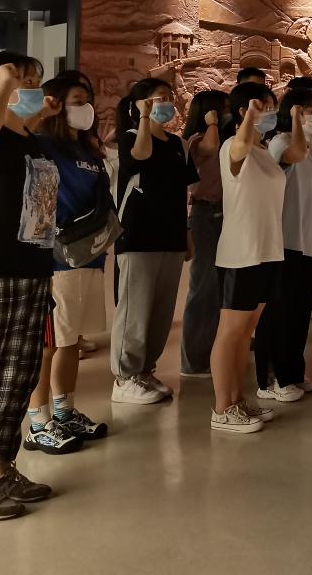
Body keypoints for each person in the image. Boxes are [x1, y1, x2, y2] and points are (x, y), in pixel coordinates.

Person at [0, 52, 57, 518]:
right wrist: (5, 83)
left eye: (33, 79)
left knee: (18, 373)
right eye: (21, 79)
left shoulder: (29, 138)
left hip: (33, 265)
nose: (30, 86)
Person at [24, 74, 110, 456]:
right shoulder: (43, 145)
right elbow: (37, 206)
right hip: (56, 260)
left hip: (89, 254)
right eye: (76, 99)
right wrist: (42, 113)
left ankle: (65, 411)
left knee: (71, 340)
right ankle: (38, 422)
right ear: (57, 103)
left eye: (87, 99)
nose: (85, 106)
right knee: (48, 344)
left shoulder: (89, 150)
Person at [110, 78, 198, 405]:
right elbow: (140, 155)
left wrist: (187, 232)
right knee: (135, 309)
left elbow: (183, 192)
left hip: (171, 235)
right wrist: (145, 118)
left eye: (169, 97)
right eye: (160, 98)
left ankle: (145, 370)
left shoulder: (178, 144)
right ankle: (124, 377)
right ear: (140, 104)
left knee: (161, 311)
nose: (168, 103)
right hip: (138, 235)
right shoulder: (130, 137)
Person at [209, 83, 285, 433]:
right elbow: (239, 146)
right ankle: (221, 408)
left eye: (270, 106)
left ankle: (236, 400)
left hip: (268, 250)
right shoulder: (232, 146)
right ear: (243, 111)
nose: (269, 112)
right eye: (261, 106)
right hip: (241, 252)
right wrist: (251, 119)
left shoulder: (264, 151)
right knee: (231, 331)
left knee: (245, 333)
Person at [254, 89, 312, 401]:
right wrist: (296, 120)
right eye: (308, 110)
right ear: (292, 111)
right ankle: (271, 378)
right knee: (278, 312)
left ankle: (293, 371)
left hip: (306, 240)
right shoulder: (282, 142)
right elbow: (294, 156)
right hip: (283, 239)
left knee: (299, 311)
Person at [180, 89, 229, 379]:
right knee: (204, 289)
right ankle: (194, 360)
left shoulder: (225, 139)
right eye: (222, 109)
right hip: (205, 215)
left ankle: (212, 352)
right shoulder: (198, 140)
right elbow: (209, 148)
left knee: (219, 289)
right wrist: (212, 123)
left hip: (224, 214)